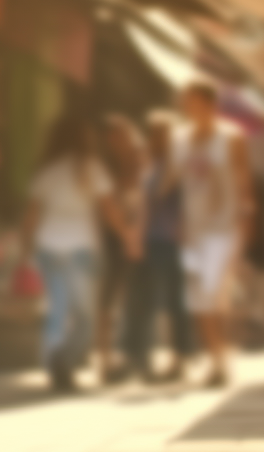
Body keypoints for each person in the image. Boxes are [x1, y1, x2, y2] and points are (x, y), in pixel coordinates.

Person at [19, 113, 138, 392]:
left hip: (49, 247)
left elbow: (32, 216)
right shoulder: (91, 167)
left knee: (57, 311)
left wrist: (26, 250)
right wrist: (127, 235)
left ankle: (54, 366)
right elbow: (109, 210)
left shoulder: (47, 170)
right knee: (85, 318)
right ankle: (65, 361)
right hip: (81, 249)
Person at [172, 81, 252, 388]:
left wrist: (245, 221)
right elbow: (176, 182)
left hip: (223, 227)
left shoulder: (231, 136)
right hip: (192, 229)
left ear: (209, 104)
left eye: (193, 101)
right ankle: (215, 358)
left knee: (217, 295)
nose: (188, 107)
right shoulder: (180, 138)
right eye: (185, 102)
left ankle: (223, 359)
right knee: (197, 299)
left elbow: (244, 180)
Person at [116, 111, 195, 382]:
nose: (155, 139)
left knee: (174, 301)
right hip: (153, 240)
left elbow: (154, 201)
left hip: (170, 241)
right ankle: (139, 357)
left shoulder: (175, 165)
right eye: (153, 133)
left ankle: (179, 357)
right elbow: (142, 204)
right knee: (143, 301)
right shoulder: (152, 165)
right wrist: (136, 237)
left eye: (160, 134)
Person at [97, 114, 148, 383]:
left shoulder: (143, 163)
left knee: (138, 299)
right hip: (111, 238)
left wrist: (135, 233)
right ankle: (105, 359)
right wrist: (124, 233)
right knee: (107, 299)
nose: (120, 141)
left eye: (124, 134)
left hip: (142, 235)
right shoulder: (103, 168)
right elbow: (104, 207)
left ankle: (136, 357)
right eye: (114, 136)